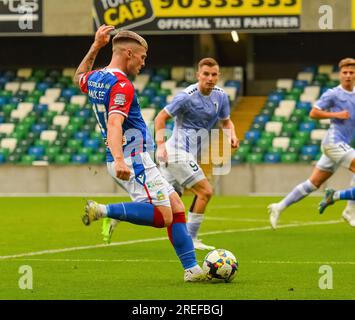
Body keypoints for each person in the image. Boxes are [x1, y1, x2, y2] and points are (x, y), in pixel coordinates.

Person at [73, 25, 206, 282]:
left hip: (135, 158)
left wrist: (96, 45)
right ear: (129, 53)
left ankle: (192, 269)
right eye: (142, 57)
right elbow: (114, 123)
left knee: (177, 207)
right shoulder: (122, 85)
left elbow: (78, 75)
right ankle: (103, 210)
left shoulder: (96, 77)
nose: (144, 62)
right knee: (163, 216)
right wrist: (121, 159)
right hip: (133, 159)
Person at [154, 57, 239, 250]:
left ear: (218, 76)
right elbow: (161, 117)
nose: (210, 78)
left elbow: (226, 121)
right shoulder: (186, 96)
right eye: (206, 74)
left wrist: (231, 135)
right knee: (205, 192)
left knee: (164, 202)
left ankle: (112, 214)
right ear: (198, 75)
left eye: (214, 74)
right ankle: (191, 239)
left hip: (188, 155)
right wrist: (160, 145)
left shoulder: (221, 96)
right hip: (176, 152)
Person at [268, 57, 355, 229]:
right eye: (345, 72)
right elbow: (313, 113)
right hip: (333, 142)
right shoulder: (333, 94)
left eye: (351, 72)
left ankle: (279, 206)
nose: (348, 76)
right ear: (340, 74)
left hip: (343, 144)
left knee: (313, 183)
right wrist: (336, 115)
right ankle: (344, 203)